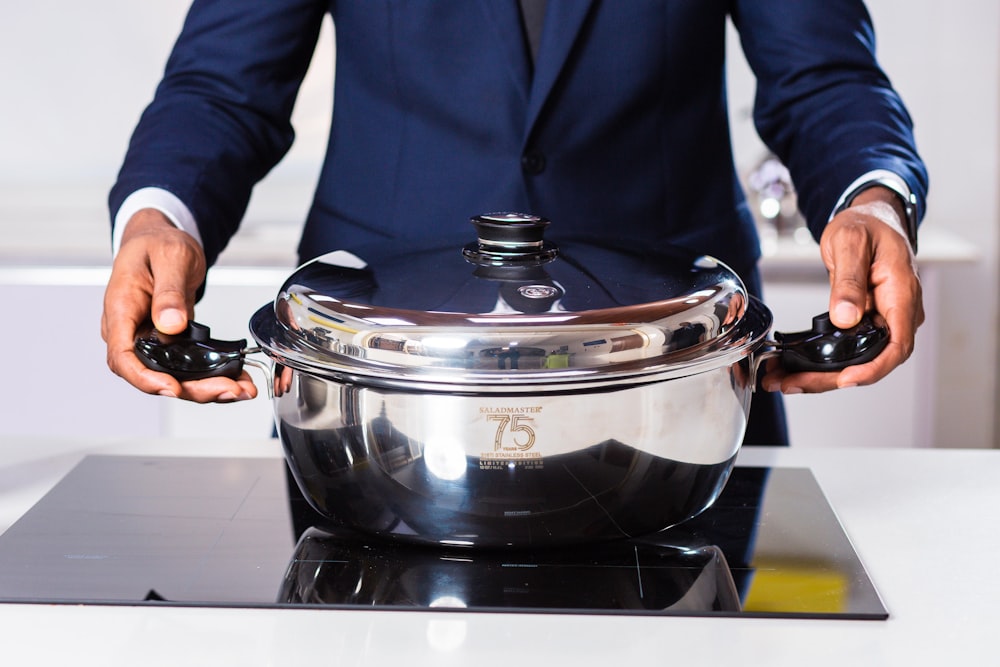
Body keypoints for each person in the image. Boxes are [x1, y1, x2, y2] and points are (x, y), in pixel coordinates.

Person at [102, 1, 927, 447]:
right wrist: (158, 213)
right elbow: (222, 85)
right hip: (380, 402)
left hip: (679, 394)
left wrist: (874, 198)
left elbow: (824, 75)